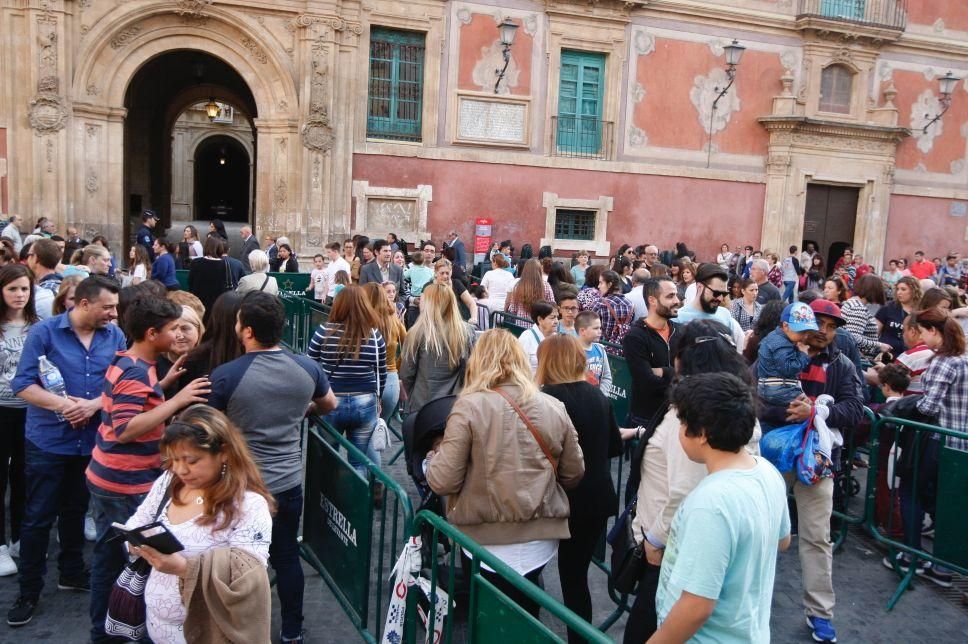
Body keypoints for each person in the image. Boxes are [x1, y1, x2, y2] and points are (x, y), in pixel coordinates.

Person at [424, 329, 585, 619]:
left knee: (488, 615)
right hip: (540, 535)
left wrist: (434, 459)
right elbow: (574, 473)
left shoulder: (469, 406)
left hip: (484, 536)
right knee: (525, 612)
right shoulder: (553, 406)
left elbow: (442, 480)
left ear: (478, 361)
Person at [207, 292, 336, 643]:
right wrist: (302, 411)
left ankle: (237, 629)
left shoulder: (225, 376)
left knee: (235, 559)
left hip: (239, 485)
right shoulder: (306, 368)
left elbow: (210, 430)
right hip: (287, 482)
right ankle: (292, 630)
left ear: (246, 330)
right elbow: (329, 403)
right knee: (285, 556)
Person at [623, 320, 763, 643]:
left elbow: (686, 489)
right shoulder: (736, 409)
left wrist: (654, 540)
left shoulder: (691, 418)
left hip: (673, 552)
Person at [85, 296, 211, 643]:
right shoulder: (136, 371)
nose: (177, 335)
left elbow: (138, 401)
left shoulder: (132, 361)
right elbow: (126, 428)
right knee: (125, 562)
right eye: (172, 329)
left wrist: (164, 384)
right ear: (152, 333)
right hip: (123, 482)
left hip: (106, 475)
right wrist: (177, 400)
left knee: (107, 557)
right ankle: (115, 631)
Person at [7, 276, 127, 627]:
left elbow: (120, 385)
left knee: (77, 507)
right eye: (108, 307)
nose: (114, 313)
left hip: (91, 440)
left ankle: (72, 571)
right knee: (38, 516)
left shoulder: (115, 335)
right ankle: (29, 590)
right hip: (48, 440)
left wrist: (91, 406)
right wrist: (63, 405)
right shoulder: (45, 333)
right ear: (83, 303)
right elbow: (23, 384)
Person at [648, 372, 789, 643]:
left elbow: (696, 606)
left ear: (700, 433)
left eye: (681, 422)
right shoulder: (767, 472)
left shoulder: (710, 503)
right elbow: (782, 541)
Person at [757, 298, 865, 644]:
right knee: (762, 532)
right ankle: (749, 600)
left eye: (832, 327)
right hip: (773, 452)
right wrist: (783, 412)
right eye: (820, 324)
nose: (825, 332)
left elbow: (854, 408)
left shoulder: (842, 365)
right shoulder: (776, 351)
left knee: (818, 536)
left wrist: (818, 414)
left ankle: (820, 613)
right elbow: (751, 394)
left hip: (817, 458)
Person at [123, 405, 275, 644]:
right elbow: (138, 522)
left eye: (192, 460)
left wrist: (183, 568)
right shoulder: (168, 482)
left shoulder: (249, 505)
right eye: (173, 460)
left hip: (208, 633)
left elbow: (249, 575)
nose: (181, 469)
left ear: (223, 452)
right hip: (154, 627)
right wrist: (134, 543)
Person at [537, 335, 621, 641]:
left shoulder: (545, 398)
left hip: (555, 500)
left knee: (532, 570)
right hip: (595, 500)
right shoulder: (598, 397)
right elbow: (613, 446)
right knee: (576, 579)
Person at [306, 284, 385, 475]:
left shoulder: (323, 331)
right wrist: (378, 398)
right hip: (365, 401)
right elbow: (380, 373)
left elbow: (310, 367)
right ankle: (356, 502)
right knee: (358, 460)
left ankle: (329, 500)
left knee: (329, 456)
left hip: (331, 399)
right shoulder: (374, 335)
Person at [0, 265, 37, 577]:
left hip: (30, 410)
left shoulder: (38, 326)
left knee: (24, 475)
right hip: (1, 410)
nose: (19, 295)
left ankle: (18, 536)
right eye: (12, 289)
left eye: (24, 289)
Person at [399, 283, 475, 417]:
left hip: (423, 405)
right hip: (455, 404)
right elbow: (470, 370)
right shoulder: (466, 331)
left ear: (429, 304)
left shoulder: (417, 333)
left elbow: (406, 373)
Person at [623, 277, 680, 426]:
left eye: (676, 295)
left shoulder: (681, 331)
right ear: (652, 300)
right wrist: (678, 377)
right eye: (670, 296)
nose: (677, 301)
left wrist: (663, 372)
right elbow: (646, 381)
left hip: (677, 418)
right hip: (646, 418)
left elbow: (694, 372)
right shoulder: (635, 336)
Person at [756, 302, 818, 427]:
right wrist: (804, 355)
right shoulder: (782, 344)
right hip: (777, 388)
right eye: (801, 331)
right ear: (786, 326)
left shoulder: (773, 337)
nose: (805, 336)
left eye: (807, 332)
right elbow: (788, 368)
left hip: (768, 387)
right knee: (808, 409)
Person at [363, 282, 406, 426]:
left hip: (366, 380)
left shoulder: (363, 321)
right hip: (390, 381)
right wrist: (397, 366)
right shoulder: (394, 319)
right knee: (379, 432)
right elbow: (408, 346)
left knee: (363, 435)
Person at [676, 263, 746, 351]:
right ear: (700, 287)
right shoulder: (678, 318)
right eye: (716, 293)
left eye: (724, 294)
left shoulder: (725, 314)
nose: (720, 298)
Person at [841, 273, 891, 362]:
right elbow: (854, 338)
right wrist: (879, 345)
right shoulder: (858, 308)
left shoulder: (851, 303)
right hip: (856, 360)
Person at [188, 236, 237, 324]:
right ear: (219, 248)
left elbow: (190, 283)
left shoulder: (195, 263)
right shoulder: (225, 264)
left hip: (199, 304)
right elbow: (228, 287)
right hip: (217, 306)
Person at [876, 276, 922, 356]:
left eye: (903, 289)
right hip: (885, 355)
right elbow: (874, 333)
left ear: (914, 291)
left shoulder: (920, 311)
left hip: (908, 357)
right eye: (897, 289)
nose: (899, 292)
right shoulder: (888, 307)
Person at [506, 258, 556, 324]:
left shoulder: (518, 285)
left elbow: (513, 309)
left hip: (521, 324)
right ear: (540, 270)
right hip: (539, 325)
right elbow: (552, 305)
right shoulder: (546, 285)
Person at [594, 270, 633, 349]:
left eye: (601, 283)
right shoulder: (629, 304)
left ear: (609, 284)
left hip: (602, 346)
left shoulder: (601, 304)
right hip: (621, 347)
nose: (598, 286)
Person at [24, 239, 62, 320]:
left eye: (29, 255)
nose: (27, 259)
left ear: (36, 258)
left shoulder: (45, 291)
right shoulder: (63, 284)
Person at [517, 300, 558, 375]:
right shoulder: (526, 337)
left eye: (557, 317)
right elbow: (519, 368)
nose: (556, 321)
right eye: (552, 318)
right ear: (540, 320)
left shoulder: (557, 338)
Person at [575, 310, 612, 391]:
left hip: (596, 398)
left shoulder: (600, 350)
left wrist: (600, 395)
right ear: (582, 331)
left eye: (600, 328)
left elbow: (606, 377)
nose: (600, 331)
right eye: (596, 328)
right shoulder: (572, 351)